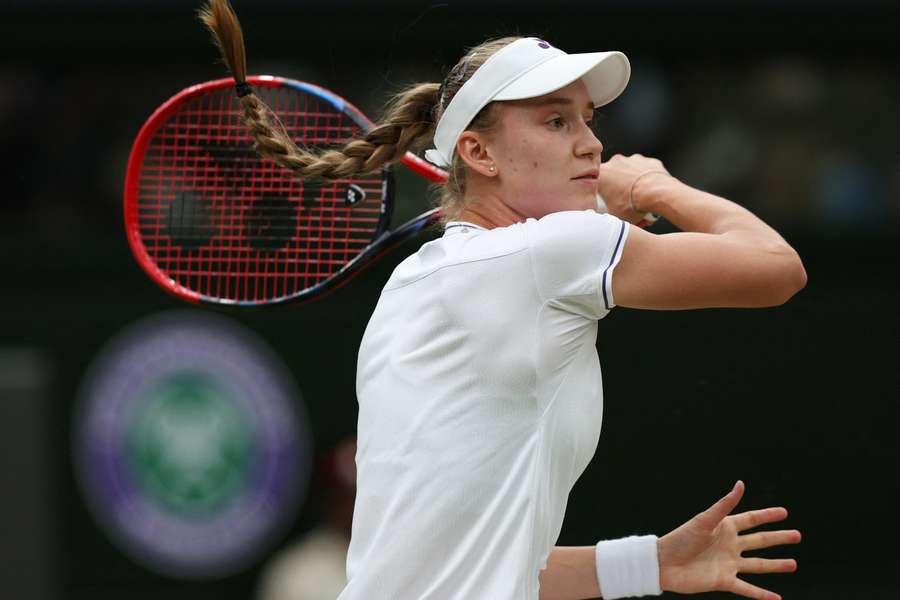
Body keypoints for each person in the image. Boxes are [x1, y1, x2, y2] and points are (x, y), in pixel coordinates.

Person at [200, 2, 807, 598]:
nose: (592, 144)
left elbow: (473, 565)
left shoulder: (416, 282)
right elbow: (777, 268)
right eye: (556, 121)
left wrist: (652, 564)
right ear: (478, 153)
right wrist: (656, 185)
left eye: (588, 119)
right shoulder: (550, 257)